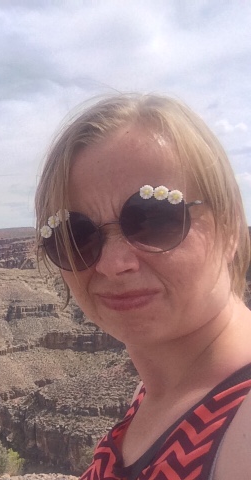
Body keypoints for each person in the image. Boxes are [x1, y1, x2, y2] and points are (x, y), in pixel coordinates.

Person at [34, 93, 251, 480]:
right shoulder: (158, 391)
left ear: (230, 226)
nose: (113, 264)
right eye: (75, 234)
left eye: (154, 217)